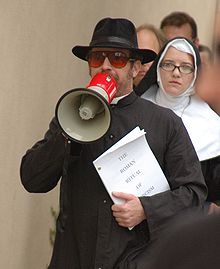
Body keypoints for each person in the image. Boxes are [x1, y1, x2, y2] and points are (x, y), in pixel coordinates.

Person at [20, 18, 207, 269]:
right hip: (73, 259)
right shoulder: (71, 113)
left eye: (117, 58)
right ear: (89, 66)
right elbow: (32, 179)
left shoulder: (165, 123)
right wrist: (66, 133)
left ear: (135, 67)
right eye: (97, 58)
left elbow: (193, 195)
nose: (106, 66)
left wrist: (146, 209)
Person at [136, 37, 220, 203]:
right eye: (168, 64)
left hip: (189, 220)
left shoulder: (212, 126)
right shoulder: (136, 110)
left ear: (195, 74)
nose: (176, 73)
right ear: (158, 69)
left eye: (186, 67)